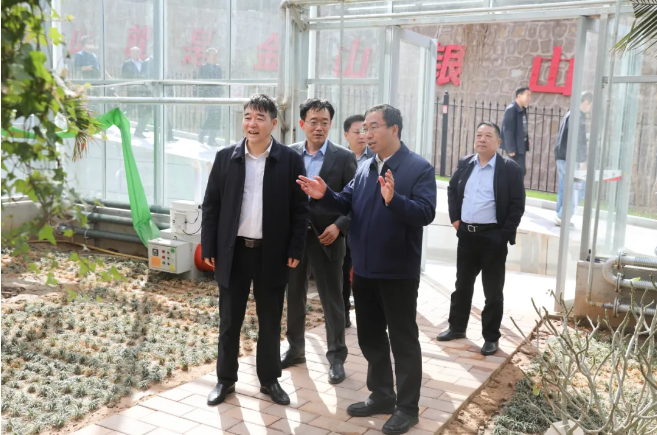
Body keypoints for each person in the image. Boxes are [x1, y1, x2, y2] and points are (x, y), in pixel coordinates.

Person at [297, 104, 437, 435]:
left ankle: (407, 408)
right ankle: (382, 395)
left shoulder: (418, 168)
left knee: (403, 340)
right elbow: (346, 202)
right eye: (365, 128)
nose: (367, 134)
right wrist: (324, 195)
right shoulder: (365, 166)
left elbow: (426, 212)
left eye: (374, 127)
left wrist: (393, 199)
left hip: (398, 272)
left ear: (394, 130)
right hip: (364, 270)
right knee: (370, 336)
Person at [201, 94, 309, 407]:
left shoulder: (289, 160)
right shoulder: (226, 157)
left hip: (271, 253)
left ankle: (269, 379)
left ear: (273, 123)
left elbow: (300, 209)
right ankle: (225, 380)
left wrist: (296, 247)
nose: (252, 123)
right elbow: (211, 204)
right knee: (229, 321)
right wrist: (209, 245)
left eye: (260, 118)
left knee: (270, 320)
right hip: (233, 251)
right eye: (248, 116)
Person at [282, 99, 358, 385]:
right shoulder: (288, 155)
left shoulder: (344, 158)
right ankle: (295, 349)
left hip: (328, 239)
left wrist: (339, 226)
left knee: (332, 299)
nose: (319, 127)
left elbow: (355, 202)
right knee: (294, 295)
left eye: (324, 122)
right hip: (295, 240)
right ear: (302, 124)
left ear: (331, 125)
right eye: (313, 121)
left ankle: (336, 357)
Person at [437, 122, 525, 356]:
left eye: (488, 136)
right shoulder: (466, 163)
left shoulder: (509, 169)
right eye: (478, 135)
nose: (482, 139)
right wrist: (456, 219)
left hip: (493, 238)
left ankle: (491, 338)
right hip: (467, 235)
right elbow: (452, 190)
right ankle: (457, 328)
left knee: (492, 291)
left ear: (498, 142)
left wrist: (503, 235)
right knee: (462, 285)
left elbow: (517, 205)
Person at [341, 114, 373, 328]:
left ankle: (368, 315)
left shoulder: (375, 159)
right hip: (343, 227)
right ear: (346, 135)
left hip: (366, 228)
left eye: (365, 131)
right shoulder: (340, 158)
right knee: (343, 271)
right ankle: (344, 312)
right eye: (357, 132)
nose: (362, 136)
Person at [554, 91, 593, 227]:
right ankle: (562, 216)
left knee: (564, 187)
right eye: (590, 105)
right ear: (586, 102)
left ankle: (560, 216)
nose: (590, 108)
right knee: (577, 189)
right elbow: (578, 140)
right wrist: (582, 160)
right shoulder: (578, 116)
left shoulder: (570, 113)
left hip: (562, 156)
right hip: (571, 159)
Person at [500, 86, 532, 177]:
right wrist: (511, 149)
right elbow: (507, 130)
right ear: (519, 96)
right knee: (517, 172)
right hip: (515, 148)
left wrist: (527, 138)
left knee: (521, 171)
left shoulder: (522, 109)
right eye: (527, 95)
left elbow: (522, 127)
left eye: (530, 95)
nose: (529, 98)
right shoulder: (511, 109)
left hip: (521, 145)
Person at [121, 46, 151, 138]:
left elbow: (147, 75)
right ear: (130, 53)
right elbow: (123, 78)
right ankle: (120, 120)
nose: (136, 54)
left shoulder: (144, 64)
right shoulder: (127, 64)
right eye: (134, 52)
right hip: (132, 90)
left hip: (143, 90)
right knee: (129, 108)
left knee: (145, 109)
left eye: (137, 52)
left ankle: (139, 129)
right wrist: (123, 89)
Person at [197, 48, 223, 146]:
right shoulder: (203, 68)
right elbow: (201, 84)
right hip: (208, 96)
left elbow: (220, 81)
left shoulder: (218, 68)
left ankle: (211, 139)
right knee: (212, 116)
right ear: (208, 56)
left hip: (217, 96)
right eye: (213, 55)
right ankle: (202, 134)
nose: (215, 57)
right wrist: (202, 97)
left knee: (217, 117)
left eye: (216, 55)